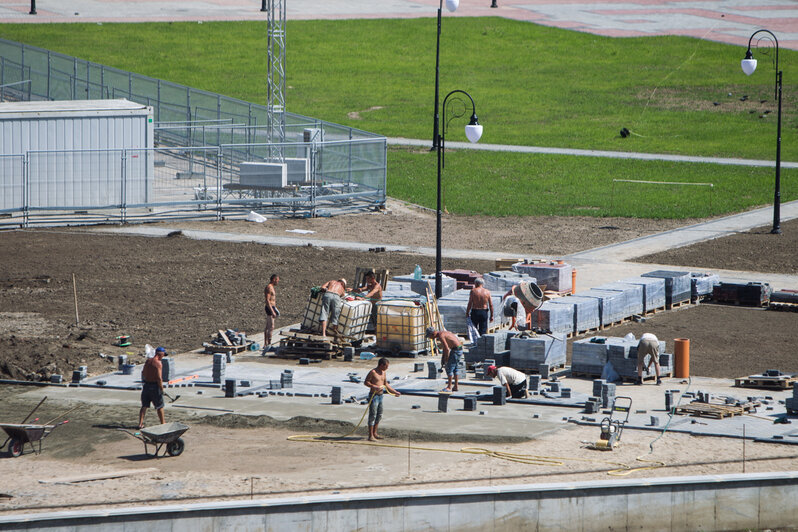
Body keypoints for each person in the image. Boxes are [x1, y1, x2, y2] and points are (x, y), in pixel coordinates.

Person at [363, 357, 401, 441]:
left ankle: (375, 433)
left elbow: (386, 384)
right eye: (386, 366)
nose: (387, 368)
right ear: (381, 365)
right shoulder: (373, 372)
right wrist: (373, 386)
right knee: (372, 415)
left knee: (379, 414)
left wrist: (395, 392)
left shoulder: (383, 373)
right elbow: (366, 382)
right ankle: (370, 435)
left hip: (381, 396)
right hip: (374, 396)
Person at [426, 327, 464, 392]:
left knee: (449, 368)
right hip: (459, 349)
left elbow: (446, 349)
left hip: (455, 350)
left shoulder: (441, 336)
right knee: (455, 368)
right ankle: (456, 386)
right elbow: (445, 348)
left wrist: (446, 359)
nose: (430, 338)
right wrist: (443, 358)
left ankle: (449, 387)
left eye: (429, 336)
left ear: (433, 334)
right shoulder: (443, 333)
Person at [138, 346, 166, 429]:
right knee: (160, 406)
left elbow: (143, 372)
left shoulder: (148, 361)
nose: (163, 357)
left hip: (146, 385)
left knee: (144, 406)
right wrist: (161, 389)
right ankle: (163, 423)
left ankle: (140, 424)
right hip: (154, 387)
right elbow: (159, 378)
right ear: (161, 354)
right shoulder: (158, 363)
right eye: (163, 355)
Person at [263, 274, 280, 354]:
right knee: (271, 326)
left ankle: (266, 344)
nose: (278, 282)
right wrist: (272, 311)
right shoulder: (269, 287)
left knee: (268, 326)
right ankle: (268, 344)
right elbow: (267, 300)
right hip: (270, 308)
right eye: (277, 280)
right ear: (274, 279)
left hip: (272, 307)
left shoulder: (272, 287)